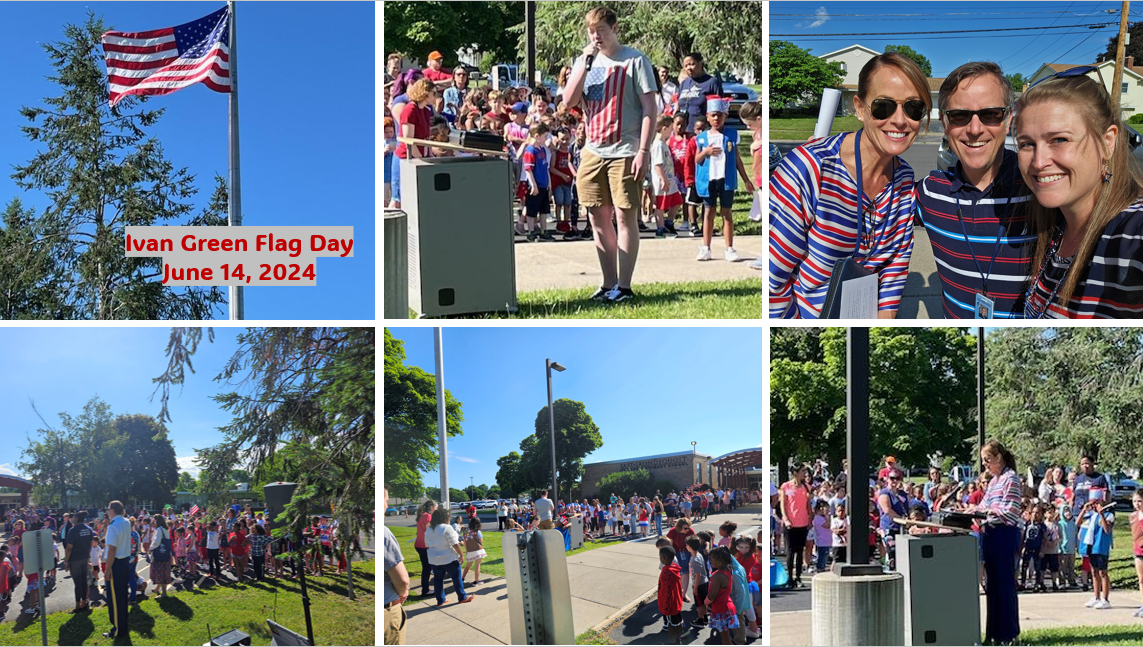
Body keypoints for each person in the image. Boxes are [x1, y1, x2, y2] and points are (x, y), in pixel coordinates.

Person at [769, 52, 927, 318]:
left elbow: (895, 268)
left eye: (913, 108)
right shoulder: (811, 169)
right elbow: (773, 283)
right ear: (860, 108)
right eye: (884, 106)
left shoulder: (905, 178)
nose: (900, 120)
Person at [1015, 73, 1143, 318]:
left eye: (1060, 139)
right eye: (1026, 144)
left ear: (1107, 142)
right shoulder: (1055, 230)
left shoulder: (1131, 233)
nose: (1039, 162)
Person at [918, 61, 1031, 319]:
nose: (975, 129)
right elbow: (870, 198)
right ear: (945, 123)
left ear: (1008, 118)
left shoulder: (1040, 188)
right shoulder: (930, 192)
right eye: (959, 115)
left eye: (991, 114)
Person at [562, 6, 658, 303]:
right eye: (591, 31)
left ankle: (625, 287)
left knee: (624, 215)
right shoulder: (585, 61)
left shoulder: (635, 60)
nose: (596, 36)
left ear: (614, 29)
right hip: (592, 150)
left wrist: (643, 150)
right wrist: (585, 64)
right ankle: (608, 283)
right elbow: (568, 101)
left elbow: (650, 109)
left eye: (601, 30)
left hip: (627, 150)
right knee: (596, 217)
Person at [968, 440, 1023, 645]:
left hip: (1004, 535)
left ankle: (1009, 633)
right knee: (992, 586)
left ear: (999, 457)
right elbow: (984, 504)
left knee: (1005, 584)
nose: (985, 465)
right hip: (990, 534)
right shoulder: (993, 481)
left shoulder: (1011, 479)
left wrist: (986, 512)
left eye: (988, 460)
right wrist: (970, 510)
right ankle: (993, 633)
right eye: (983, 461)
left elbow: (1010, 511)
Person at [389, 79, 437, 209]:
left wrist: (430, 155)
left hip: (419, 158)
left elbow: (425, 138)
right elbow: (408, 140)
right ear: (425, 93)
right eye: (434, 93)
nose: (435, 97)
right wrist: (420, 160)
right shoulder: (410, 109)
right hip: (405, 159)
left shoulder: (425, 111)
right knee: (397, 199)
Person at [425, 508, 474, 606]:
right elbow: (455, 543)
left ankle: (440, 600)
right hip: (448, 558)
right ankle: (462, 597)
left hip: (434, 559)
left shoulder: (429, 529)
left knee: (438, 580)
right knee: (456, 577)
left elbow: (427, 543)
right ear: (445, 517)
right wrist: (461, 555)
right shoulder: (447, 528)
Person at [1079, 487, 1115, 609]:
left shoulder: (1109, 515)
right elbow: (1077, 523)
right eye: (1092, 503)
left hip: (1101, 547)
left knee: (1103, 572)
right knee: (1094, 572)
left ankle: (1105, 599)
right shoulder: (1090, 515)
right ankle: (1096, 597)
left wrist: (1102, 515)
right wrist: (1084, 510)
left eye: (1096, 502)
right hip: (1090, 547)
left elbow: (1106, 529)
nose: (1094, 505)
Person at [779, 463, 812, 588]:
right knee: (790, 552)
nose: (805, 474)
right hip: (790, 524)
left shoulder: (806, 487)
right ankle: (789, 578)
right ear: (796, 473)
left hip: (802, 523)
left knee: (800, 551)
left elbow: (808, 505)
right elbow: (783, 504)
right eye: (803, 471)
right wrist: (786, 519)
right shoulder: (786, 486)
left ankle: (798, 577)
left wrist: (810, 519)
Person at [103, 501, 132, 640]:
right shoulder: (126, 522)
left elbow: (112, 549)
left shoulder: (113, 525)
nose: (107, 512)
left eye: (108, 509)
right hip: (125, 561)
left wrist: (107, 570)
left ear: (113, 510)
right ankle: (123, 625)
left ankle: (118, 629)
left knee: (115, 599)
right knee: (122, 596)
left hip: (117, 564)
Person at [674, 53, 722, 137]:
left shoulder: (712, 82)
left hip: (702, 132)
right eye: (686, 66)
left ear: (700, 63)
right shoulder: (684, 83)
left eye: (692, 64)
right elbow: (678, 106)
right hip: (683, 132)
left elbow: (719, 110)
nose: (689, 68)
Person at [650, 115, 682, 237]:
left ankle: (669, 222)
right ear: (664, 128)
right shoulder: (658, 145)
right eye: (670, 128)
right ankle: (660, 227)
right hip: (662, 180)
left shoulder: (663, 143)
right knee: (660, 205)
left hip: (670, 179)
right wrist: (663, 179)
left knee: (677, 201)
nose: (672, 131)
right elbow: (658, 164)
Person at [705, 546, 739, 644]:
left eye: (711, 560)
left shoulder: (717, 576)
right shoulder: (728, 570)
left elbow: (712, 595)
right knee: (726, 635)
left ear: (719, 562)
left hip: (720, 609)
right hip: (727, 606)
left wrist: (706, 602)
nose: (710, 561)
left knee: (725, 638)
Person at [63, 510, 94, 612]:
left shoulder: (73, 530)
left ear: (76, 519)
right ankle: (84, 603)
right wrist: (88, 557)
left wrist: (66, 561)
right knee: (84, 582)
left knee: (78, 583)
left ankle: (77, 606)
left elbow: (69, 548)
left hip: (75, 559)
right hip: (84, 558)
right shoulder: (89, 529)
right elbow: (90, 545)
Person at [658, 545, 685, 644]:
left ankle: (673, 643)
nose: (660, 558)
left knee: (671, 624)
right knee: (678, 622)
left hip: (670, 606)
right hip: (677, 602)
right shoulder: (674, 568)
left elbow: (668, 591)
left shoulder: (666, 572)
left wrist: (666, 608)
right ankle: (678, 639)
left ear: (664, 558)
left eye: (660, 556)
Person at [151, 514, 172, 595]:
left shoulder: (159, 529)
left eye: (155, 521)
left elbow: (157, 542)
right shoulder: (166, 529)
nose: (154, 522)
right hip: (166, 554)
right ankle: (157, 588)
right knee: (164, 572)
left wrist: (151, 547)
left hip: (160, 554)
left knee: (161, 573)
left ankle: (164, 593)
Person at [461, 518, 486, 586]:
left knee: (468, 565)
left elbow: (465, 542)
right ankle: (476, 581)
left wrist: (466, 551)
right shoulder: (477, 531)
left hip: (470, 550)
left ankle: (462, 578)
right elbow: (481, 540)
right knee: (477, 565)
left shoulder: (465, 531)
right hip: (478, 550)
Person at [1130, 490, 1143, 617]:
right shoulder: (1133, 516)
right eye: (1134, 501)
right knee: (1141, 579)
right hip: (1138, 550)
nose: (1137, 504)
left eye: (1139, 501)